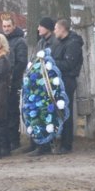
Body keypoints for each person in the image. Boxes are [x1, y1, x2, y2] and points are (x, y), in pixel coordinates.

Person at [28, 16, 59, 156]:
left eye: (41, 26)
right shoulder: (40, 42)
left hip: (49, 82)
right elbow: (34, 59)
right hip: (38, 82)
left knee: (47, 112)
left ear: (48, 28)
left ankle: (47, 143)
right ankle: (37, 142)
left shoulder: (54, 42)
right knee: (37, 112)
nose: (38, 28)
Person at [53, 19, 84, 154]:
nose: (54, 31)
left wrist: (52, 63)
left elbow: (68, 64)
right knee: (59, 112)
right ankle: (58, 140)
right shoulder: (59, 43)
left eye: (56, 28)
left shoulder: (73, 44)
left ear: (62, 29)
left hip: (67, 80)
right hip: (58, 80)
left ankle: (66, 144)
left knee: (66, 112)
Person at [2, 15, 28, 152]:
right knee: (4, 112)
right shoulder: (3, 40)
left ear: (13, 26)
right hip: (3, 82)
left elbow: (21, 62)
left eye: (8, 26)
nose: (6, 29)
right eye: (4, 26)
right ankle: (5, 139)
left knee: (12, 111)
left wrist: (12, 78)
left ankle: (14, 140)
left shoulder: (20, 41)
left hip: (14, 82)